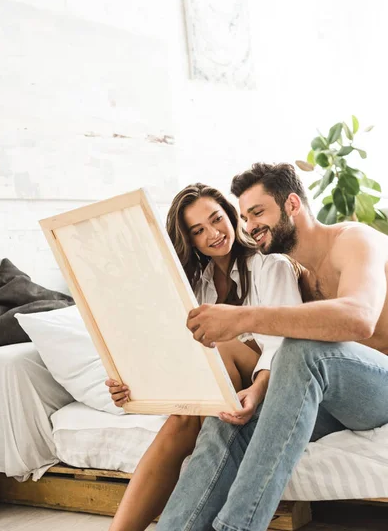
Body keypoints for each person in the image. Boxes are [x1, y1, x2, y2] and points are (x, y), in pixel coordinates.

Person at [156, 162, 388, 531]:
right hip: (333, 398)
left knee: (302, 349)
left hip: (380, 388)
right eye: (245, 217)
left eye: (258, 212)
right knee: (228, 421)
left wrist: (245, 318)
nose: (248, 226)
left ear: (293, 204)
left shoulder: (355, 240)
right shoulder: (296, 271)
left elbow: (359, 318)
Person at [105, 182, 303, 531]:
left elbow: (285, 346)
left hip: (271, 378)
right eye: (198, 230)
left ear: (230, 215)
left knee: (216, 344)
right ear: (190, 240)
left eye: (217, 219)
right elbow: (175, 353)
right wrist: (131, 388)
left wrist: (256, 392)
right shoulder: (197, 285)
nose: (213, 233)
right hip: (220, 380)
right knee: (180, 422)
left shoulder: (269, 264)